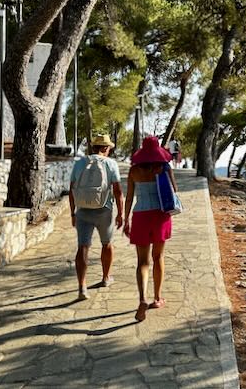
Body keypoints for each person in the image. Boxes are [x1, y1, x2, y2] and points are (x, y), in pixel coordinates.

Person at [124, 136, 177, 322]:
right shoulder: (164, 168)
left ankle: (142, 299)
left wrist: (125, 220)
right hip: (160, 216)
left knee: (142, 262)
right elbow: (174, 190)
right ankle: (157, 298)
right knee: (158, 257)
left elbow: (129, 198)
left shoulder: (133, 171)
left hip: (140, 216)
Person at [69, 134, 123, 301]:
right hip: (104, 210)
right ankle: (106, 278)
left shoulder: (79, 163)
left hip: (83, 211)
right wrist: (121, 213)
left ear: (93, 148)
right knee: (107, 244)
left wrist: (73, 213)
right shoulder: (111, 163)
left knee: (83, 247)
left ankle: (82, 287)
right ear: (106, 148)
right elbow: (118, 192)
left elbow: (71, 190)